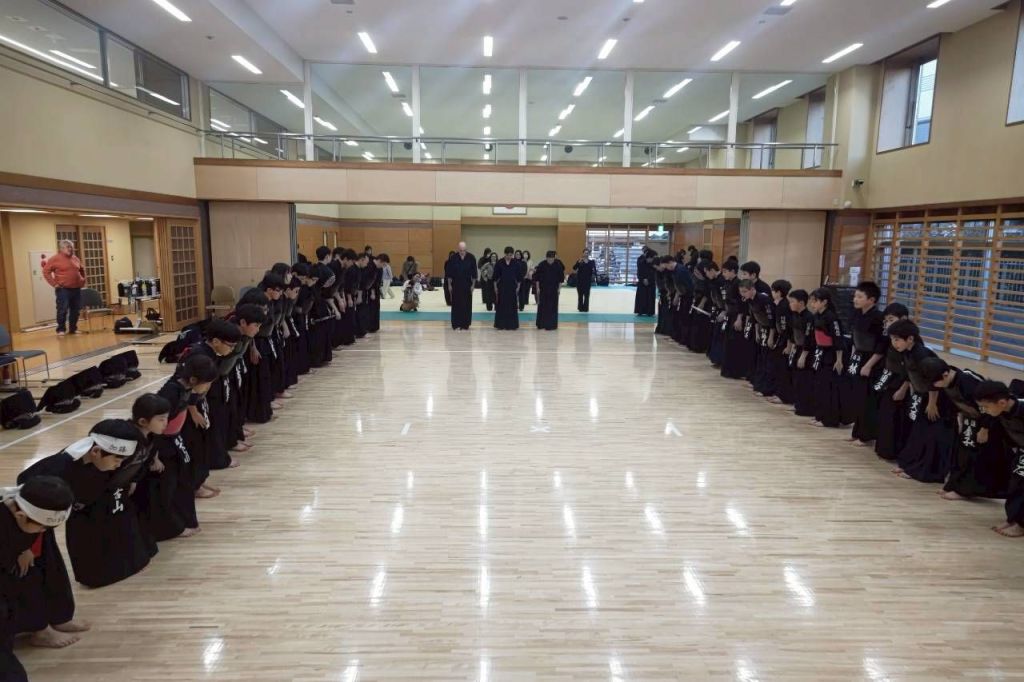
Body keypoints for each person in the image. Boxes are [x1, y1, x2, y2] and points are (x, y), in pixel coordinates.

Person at [17, 420, 144, 590]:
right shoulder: (57, 470)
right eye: (117, 459)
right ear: (96, 451)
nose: (119, 465)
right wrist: (25, 547)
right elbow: (27, 507)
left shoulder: (99, 462)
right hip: (36, 520)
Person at [0, 475, 78, 663]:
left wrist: (25, 548)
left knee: (31, 576)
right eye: (42, 528)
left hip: (12, 551)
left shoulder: (29, 508)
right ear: (20, 516)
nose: (44, 531)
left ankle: (39, 629)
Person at [928, 360, 1011, 502]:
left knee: (973, 456)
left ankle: (964, 490)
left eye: (935, 382)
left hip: (985, 422)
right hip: (970, 419)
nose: (934, 386)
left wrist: (984, 428)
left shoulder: (968, 383)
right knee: (961, 454)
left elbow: (987, 408)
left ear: (945, 375)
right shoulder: (949, 382)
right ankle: (953, 485)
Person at [888, 320, 954, 483]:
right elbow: (909, 374)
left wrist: (932, 403)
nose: (894, 343)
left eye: (897, 339)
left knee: (931, 435)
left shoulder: (922, 354)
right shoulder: (907, 352)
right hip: (924, 396)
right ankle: (910, 464)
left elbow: (934, 379)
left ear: (910, 338)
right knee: (918, 432)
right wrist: (903, 390)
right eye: (892, 339)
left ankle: (927, 471)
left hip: (937, 398)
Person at [973, 380, 1024, 537]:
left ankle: (1021, 524)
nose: (984, 410)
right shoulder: (999, 410)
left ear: (1002, 402)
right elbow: (989, 418)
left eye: (986, 407)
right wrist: (984, 429)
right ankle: (1013, 518)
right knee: (1015, 483)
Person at [843, 282, 887, 444]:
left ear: (872, 300)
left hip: (872, 360)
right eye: (855, 296)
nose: (855, 299)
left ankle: (866, 435)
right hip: (859, 357)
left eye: (860, 297)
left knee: (867, 398)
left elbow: (882, 345)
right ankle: (857, 431)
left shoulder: (878, 318)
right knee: (857, 396)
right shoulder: (856, 314)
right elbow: (855, 338)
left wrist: (869, 365)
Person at [873, 303, 912, 461]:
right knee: (885, 414)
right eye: (886, 320)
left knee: (897, 418)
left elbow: (912, 370)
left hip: (903, 383)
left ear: (904, 319)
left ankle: (895, 451)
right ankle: (884, 449)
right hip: (890, 379)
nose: (888, 323)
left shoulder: (910, 341)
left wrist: (903, 389)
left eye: (891, 319)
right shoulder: (890, 338)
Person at [808, 288, 845, 428]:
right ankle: (819, 415)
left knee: (827, 387)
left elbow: (838, 339)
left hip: (831, 355)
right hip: (820, 352)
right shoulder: (817, 315)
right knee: (819, 386)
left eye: (815, 301)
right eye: (811, 301)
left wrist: (839, 360)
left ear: (824, 302)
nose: (812, 304)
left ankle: (829, 419)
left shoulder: (831, 317)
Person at [42, 239, 86, 336]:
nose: (70, 249)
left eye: (71, 247)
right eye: (68, 247)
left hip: (76, 289)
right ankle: (61, 329)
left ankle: (73, 329)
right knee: (62, 310)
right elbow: (46, 272)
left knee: (75, 310)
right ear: (61, 249)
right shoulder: (55, 259)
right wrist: (54, 284)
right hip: (63, 289)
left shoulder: (75, 258)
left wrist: (83, 280)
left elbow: (81, 269)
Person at [446, 242, 478, 331]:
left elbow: (474, 273)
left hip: (467, 284)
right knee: (456, 304)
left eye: (464, 250)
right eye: (460, 250)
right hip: (456, 284)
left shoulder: (471, 258)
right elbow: (449, 273)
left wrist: (473, 285)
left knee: (466, 304)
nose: (462, 252)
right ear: (458, 249)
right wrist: (449, 285)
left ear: (466, 250)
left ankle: (465, 324)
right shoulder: (453, 258)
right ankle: (456, 323)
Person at [533, 250, 565, 331]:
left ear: (554, 258)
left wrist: (559, 289)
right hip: (543, 288)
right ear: (546, 258)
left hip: (554, 289)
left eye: (552, 258)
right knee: (542, 306)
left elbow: (561, 279)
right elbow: (537, 278)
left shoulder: (558, 265)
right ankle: (541, 324)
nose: (550, 260)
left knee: (552, 307)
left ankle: (552, 324)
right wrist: (537, 288)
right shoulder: (541, 265)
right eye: (549, 258)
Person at [493, 247, 522, 330]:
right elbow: (495, 277)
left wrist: (518, 287)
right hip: (502, 287)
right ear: (505, 254)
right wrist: (495, 287)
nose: (509, 257)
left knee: (512, 306)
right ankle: (500, 325)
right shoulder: (499, 263)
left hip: (512, 287)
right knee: (501, 306)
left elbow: (519, 277)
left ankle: (512, 325)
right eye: (508, 255)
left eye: (511, 255)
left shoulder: (516, 263)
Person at [634, 249, 657, 317]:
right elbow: (639, 273)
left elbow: (654, 274)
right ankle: (640, 311)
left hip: (651, 283)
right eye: (651, 258)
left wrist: (649, 280)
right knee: (641, 297)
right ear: (648, 257)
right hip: (642, 282)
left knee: (650, 298)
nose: (652, 259)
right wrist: (643, 279)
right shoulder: (641, 262)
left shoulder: (654, 264)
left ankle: (650, 312)